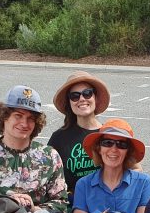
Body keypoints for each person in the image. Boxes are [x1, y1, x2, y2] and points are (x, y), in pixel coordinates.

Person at [0, 85, 68, 213]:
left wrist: (35, 208)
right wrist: (5, 204)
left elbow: (62, 205)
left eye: (31, 118)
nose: (24, 123)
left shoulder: (50, 156)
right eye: (18, 116)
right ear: (4, 116)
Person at [71, 119, 150, 213]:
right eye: (107, 143)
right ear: (99, 149)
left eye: (121, 144)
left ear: (128, 151)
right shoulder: (83, 184)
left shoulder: (144, 183)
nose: (114, 149)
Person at [47, 71, 110, 202]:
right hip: (73, 207)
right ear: (69, 103)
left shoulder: (110, 134)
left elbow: (135, 169)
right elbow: (48, 176)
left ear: (95, 98)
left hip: (106, 204)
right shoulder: (59, 138)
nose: (82, 99)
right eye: (75, 96)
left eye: (87, 93)